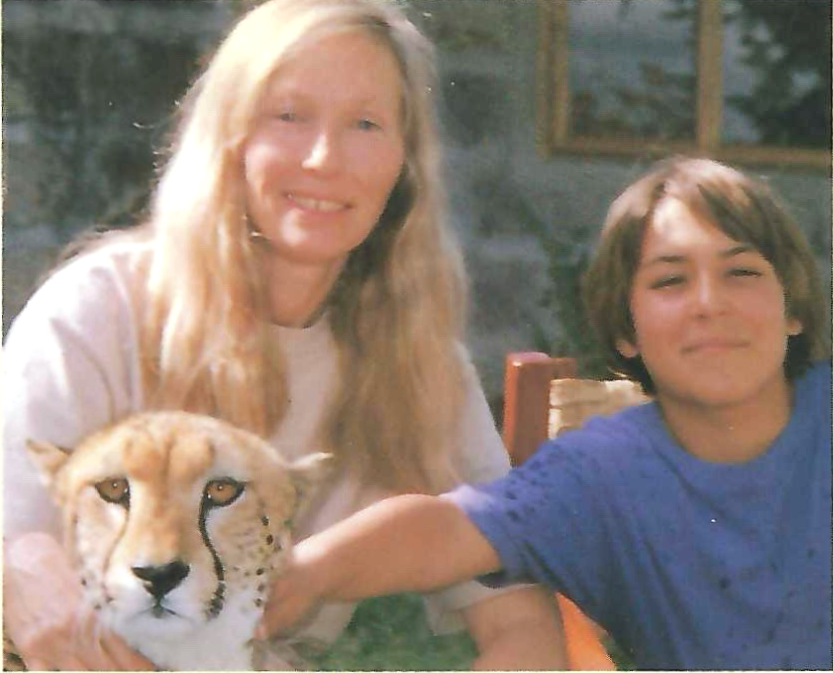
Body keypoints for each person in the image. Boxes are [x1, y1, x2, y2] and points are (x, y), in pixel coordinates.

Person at [2, 0, 567, 669]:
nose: (324, 158)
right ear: (229, 139)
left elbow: (522, 628)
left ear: (404, 165)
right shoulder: (96, 309)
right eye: (288, 116)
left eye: (364, 123)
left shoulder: (419, 363)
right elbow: (18, 552)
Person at [259, 157, 832, 670]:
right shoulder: (604, 473)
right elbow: (442, 529)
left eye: (742, 272)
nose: (709, 302)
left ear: (794, 309)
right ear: (626, 330)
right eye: (671, 280)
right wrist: (310, 571)